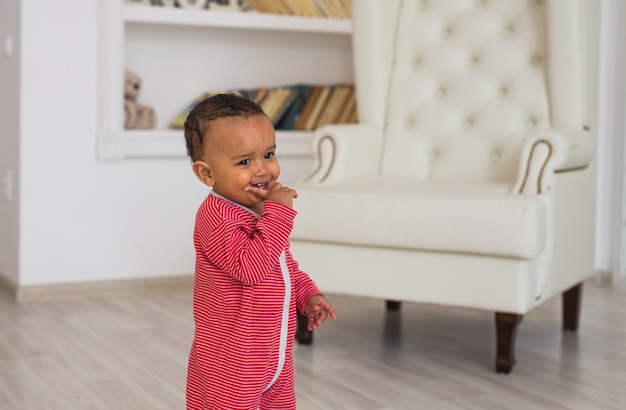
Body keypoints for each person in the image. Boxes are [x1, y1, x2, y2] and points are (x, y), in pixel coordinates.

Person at [183, 93, 336, 409]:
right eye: (244, 161)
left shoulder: (257, 211)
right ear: (207, 174)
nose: (263, 170)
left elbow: (283, 265)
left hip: (272, 355)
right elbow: (252, 269)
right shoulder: (217, 217)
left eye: (269, 154)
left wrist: (308, 295)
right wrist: (278, 214)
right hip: (231, 364)